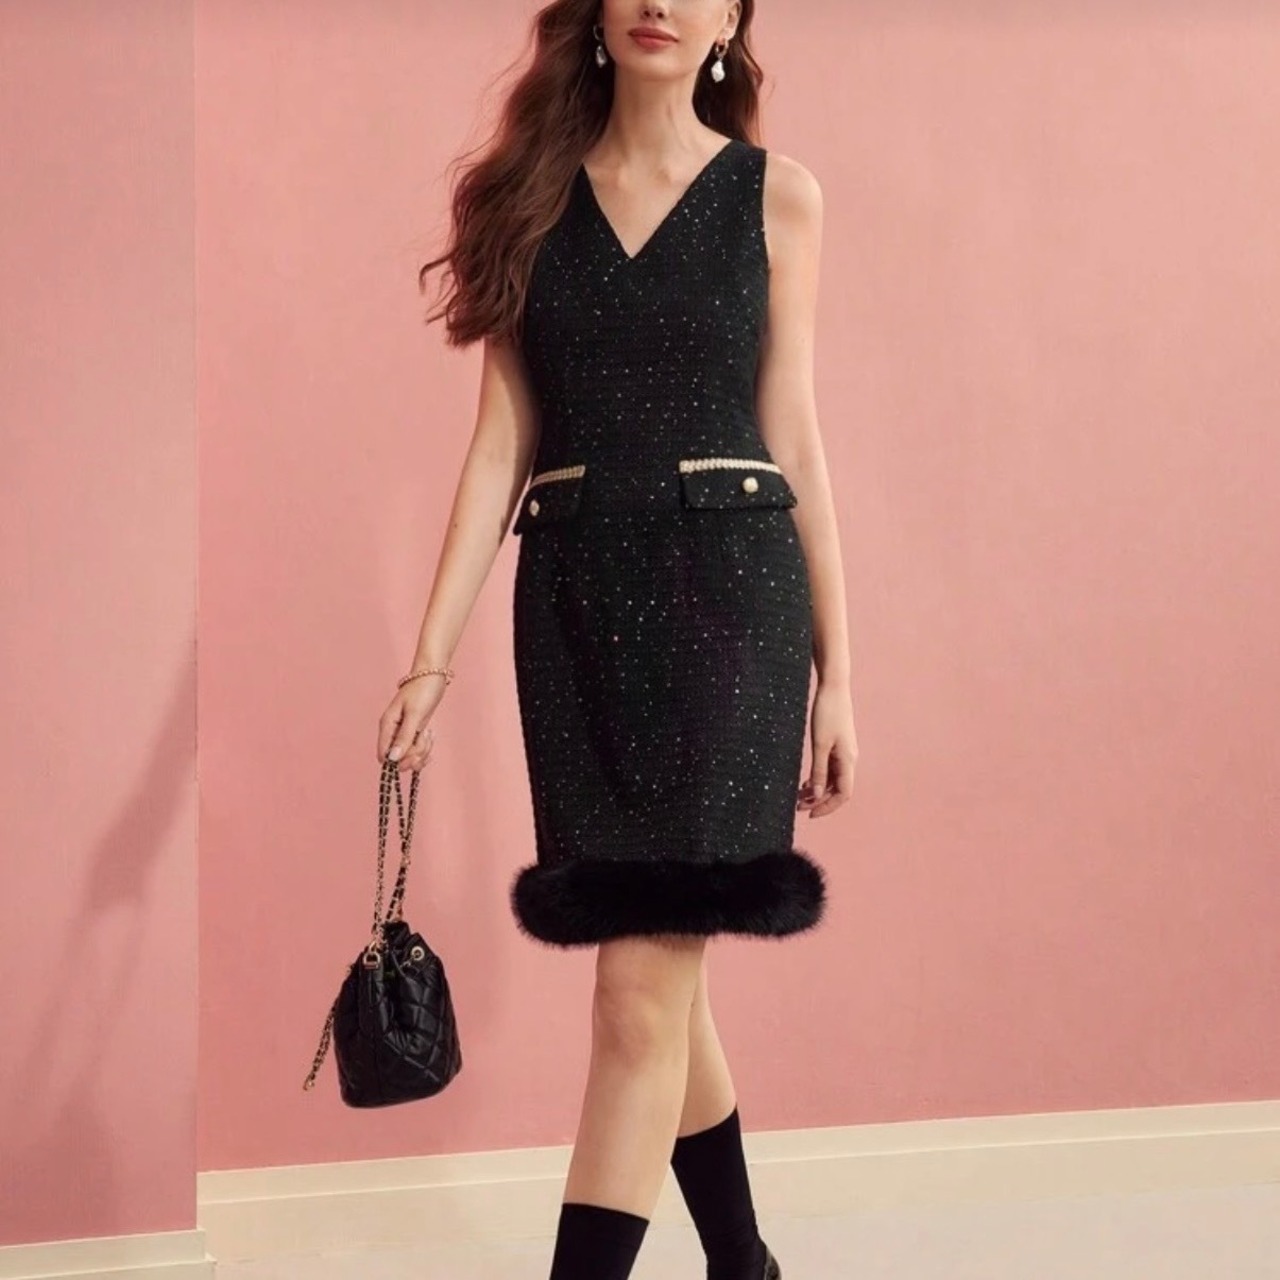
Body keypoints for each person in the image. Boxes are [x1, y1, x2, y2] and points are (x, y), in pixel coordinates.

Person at [377, 2, 857, 1276]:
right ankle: (744, 1263)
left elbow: (794, 434)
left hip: (732, 606)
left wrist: (838, 672)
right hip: (578, 609)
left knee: (636, 993)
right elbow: (500, 444)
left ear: (730, 19)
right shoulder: (524, 198)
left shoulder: (777, 196)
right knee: (661, 986)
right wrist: (430, 658)